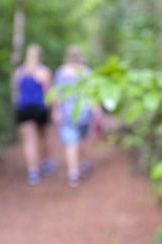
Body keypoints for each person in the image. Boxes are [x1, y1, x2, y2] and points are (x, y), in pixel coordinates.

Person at [52, 45, 103, 188]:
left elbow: (57, 93)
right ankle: (82, 164)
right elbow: (93, 94)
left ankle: (73, 172)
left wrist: (56, 111)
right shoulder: (86, 71)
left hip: (68, 112)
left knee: (71, 143)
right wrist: (97, 111)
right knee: (82, 140)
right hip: (83, 111)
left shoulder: (61, 72)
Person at [12, 44, 55, 185]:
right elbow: (49, 94)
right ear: (40, 56)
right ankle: (46, 162)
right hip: (39, 108)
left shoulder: (19, 72)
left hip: (23, 109)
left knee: (29, 141)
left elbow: (17, 91)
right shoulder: (44, 72)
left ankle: (33, 171)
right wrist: (53, 110)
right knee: (42, 137)